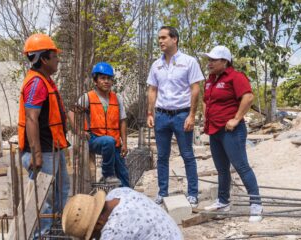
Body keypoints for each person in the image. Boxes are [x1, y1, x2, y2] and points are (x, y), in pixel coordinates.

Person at [202, 45, 262, 222]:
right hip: (214, 130)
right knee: (221, 169)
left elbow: (248, 97)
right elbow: (206, 101)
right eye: (209, 60)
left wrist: (236, 118)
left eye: (213, 60)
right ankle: (223, 201)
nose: (209, 63)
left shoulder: (236, 77)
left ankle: (256, 204)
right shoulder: (210, 79)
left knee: (242, 166)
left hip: (231, 131)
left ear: (224, 61)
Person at [18, 33, 71, 235]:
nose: (58, 59)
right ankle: (42, 236)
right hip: (43, 154)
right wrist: (36, 154)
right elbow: (32, 118)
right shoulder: (36, 83)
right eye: (54, 56)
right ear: (43, 59)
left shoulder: (45, 80)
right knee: (44, 202)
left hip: (54, 149)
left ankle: (56, 234)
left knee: (61, 192)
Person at [147, 26, 204, 207]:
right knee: (162, 157)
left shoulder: (189, 62)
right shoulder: (156, 65)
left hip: (182, 115)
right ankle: (162, 192)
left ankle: (193, 193)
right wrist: (150, 113)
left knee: (187, 155)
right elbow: (152, 90)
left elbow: (195, 89)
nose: (160, 41)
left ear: (174, 39)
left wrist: (192, 115)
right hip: (162, 116)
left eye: (164, 38)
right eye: (159, 38)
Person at [68, 62, 130, 187]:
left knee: (124, 177)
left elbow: (122, 121)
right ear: (95, 81)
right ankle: (107, 174)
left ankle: (124, 200)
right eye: (102, 78)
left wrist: (124, 143)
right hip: (94, 139)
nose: (106, 81)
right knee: (108, 141)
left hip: (114, 142)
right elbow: (71, 114)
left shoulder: (117, 98)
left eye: (109, 78)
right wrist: (79, 132)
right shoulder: (87, 97)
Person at [62, 187, 183, 240]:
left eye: (91, 234)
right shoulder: (119, 192)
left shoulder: (114, 231)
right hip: (173, 234)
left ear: (99, 223)